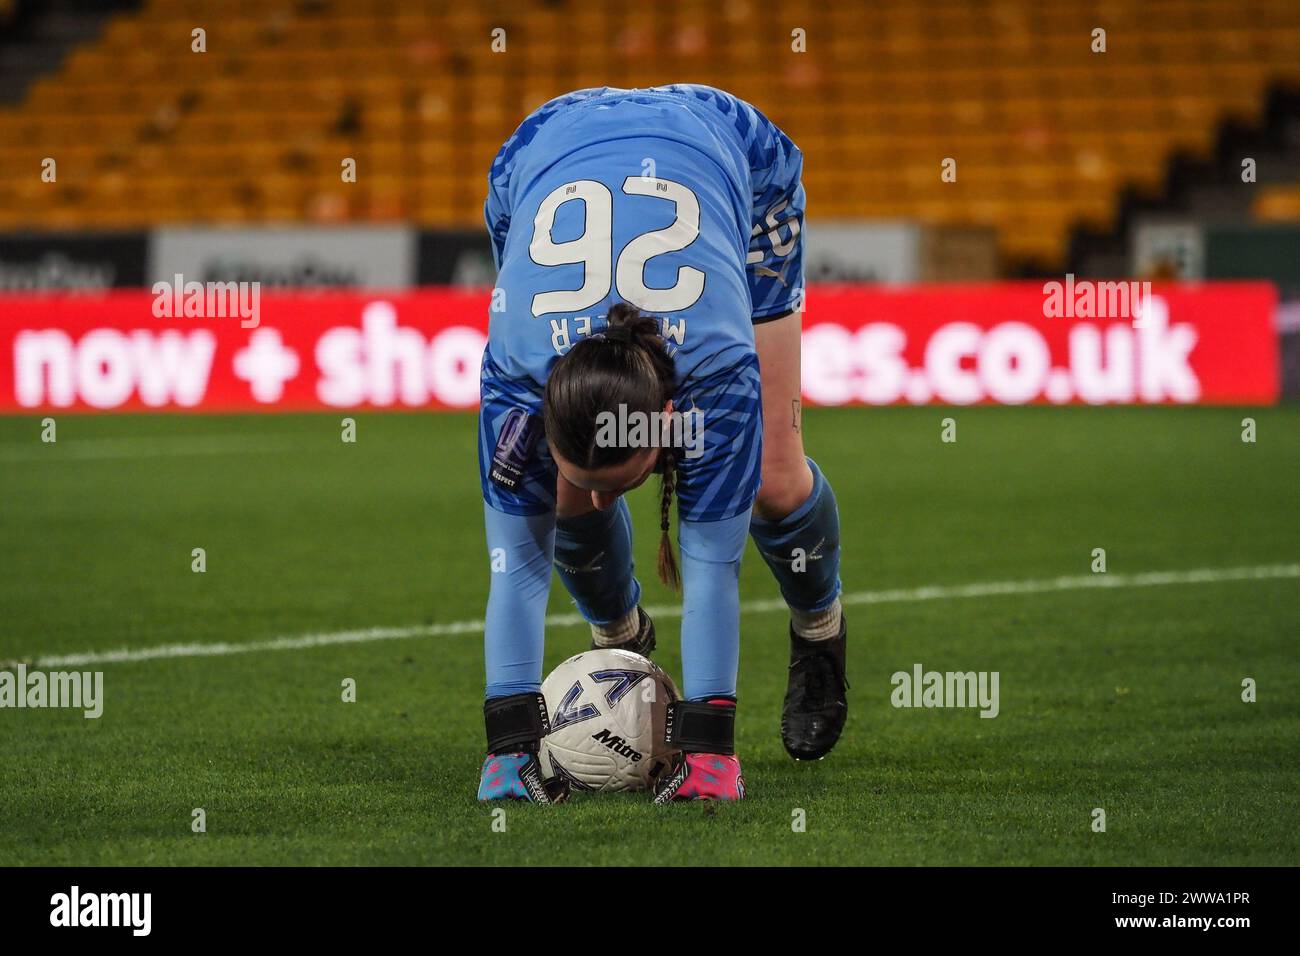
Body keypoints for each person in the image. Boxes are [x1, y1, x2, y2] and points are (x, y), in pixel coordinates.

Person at [476, 85, 845, 804]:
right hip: (536, 151)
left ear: (670, 419)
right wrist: (506, 754)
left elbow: (712, 567)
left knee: (773, 476)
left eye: (623, 477)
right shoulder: (515, 377)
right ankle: (621, 636)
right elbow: (516, 569)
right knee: (558, 495)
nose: (608, 496)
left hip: (732, 150)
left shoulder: (716, 375)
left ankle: (820, 629)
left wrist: (710, 755)